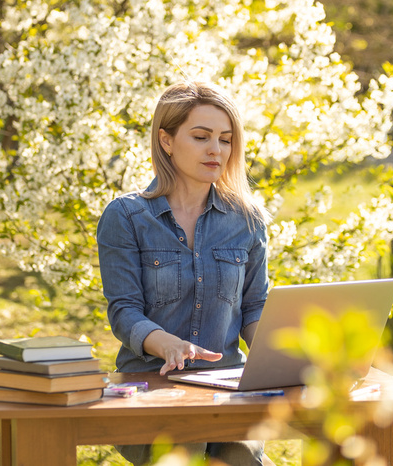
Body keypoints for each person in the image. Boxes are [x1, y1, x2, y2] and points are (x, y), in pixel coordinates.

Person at [97, 81, 271, 466]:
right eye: (201, 136)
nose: (216, 150)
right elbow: (124, 310)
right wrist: (168, 345)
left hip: (225, 389)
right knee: (186, 452)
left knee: (240, 461)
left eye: (225, 140)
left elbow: (255, 306)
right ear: (167, 141)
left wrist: (282, 356)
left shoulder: (248, 218)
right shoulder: (125, 217)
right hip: (150, 385)